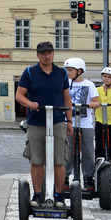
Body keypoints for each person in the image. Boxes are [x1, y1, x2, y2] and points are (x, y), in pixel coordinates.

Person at [15, 41, 73, 209]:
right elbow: (20, 95)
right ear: (38, 55)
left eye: (49, 53)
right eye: (43, 53)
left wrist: (69, 121)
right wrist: (30, 103)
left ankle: (59, 195)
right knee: (37, 160)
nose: (46, 56)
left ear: (53, 54)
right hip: (36, 122)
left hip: (57, 120)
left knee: (58, 161)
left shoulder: (61, 73)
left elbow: (66, 98)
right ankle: (37, 194)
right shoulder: (30, 72)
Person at [64, 57, 99, 189]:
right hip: (68, 122)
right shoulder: (65, 83)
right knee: (67, 150)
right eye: (67, 70)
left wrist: (92, 104)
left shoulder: (89, 85)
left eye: (71, 70)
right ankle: (65, 177)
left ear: (79, 71)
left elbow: (97, 102)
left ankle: (88, 178)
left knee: (88, 151)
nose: (68, 72)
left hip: (85, 123)